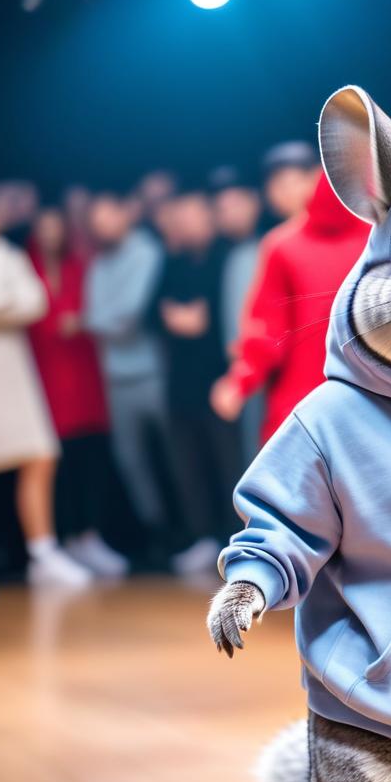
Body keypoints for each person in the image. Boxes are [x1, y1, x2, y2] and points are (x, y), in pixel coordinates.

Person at [210, 142, 370, 444]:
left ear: (317, 177)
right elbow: (268, 329)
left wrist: (240, 380)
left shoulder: (373, 233)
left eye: (294, 181)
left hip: (318, 404)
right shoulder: (283, 245)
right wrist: (241, 378)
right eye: (277, 184)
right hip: (348, 400)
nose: (285, 191)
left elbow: (267, 328)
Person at [0, 198, 92, 595]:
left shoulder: (8, 255)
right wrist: (6, 304)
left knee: (40, 455)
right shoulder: (10, 262)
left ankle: (43, 553)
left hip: (14, 373)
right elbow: (16, 303)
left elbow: (35, 302)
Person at [27, 208, 129, 577]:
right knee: (56, 463)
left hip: (84, 374)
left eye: (57, 227)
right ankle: (64, 540)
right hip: (43, 377)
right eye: (45, 228)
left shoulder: (80, 266)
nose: (51, 235)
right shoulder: (25, 268)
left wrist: (83, 320)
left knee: (90, 456)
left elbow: (97, 309)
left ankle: (90, 536)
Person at [152, 192, 242, 574]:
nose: (187, 223)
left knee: (230, 461)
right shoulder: (171, 261)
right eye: (181, 216)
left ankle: (236, 536)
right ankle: (202, 536)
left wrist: (185, 317)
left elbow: (216, 317)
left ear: (209, 216)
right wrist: (176, 317)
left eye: (194, 214)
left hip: (221, 378)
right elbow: (153, 312)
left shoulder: (227, 259)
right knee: (188, 464)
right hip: (179, 385)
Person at [83, 193, 172, 540]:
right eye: (95, 219)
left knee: (173, 457)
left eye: (107, 215)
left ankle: (191, 531)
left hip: (154, 373)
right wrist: (101, 319)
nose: (101, 225)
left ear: (124, 212)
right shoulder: (97, 263)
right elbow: (99, 318)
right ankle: (157, 532)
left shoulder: (148, 251)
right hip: (116, 378)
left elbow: (128, 318)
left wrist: (95, 320)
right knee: (131, 461)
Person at [210, 167, 263, 458]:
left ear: (254, 201)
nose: (228, 214)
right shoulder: (228, 256)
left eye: (235, 205)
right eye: (221, 209)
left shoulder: (269, 247)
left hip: (266, 369)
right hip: (242, 373)